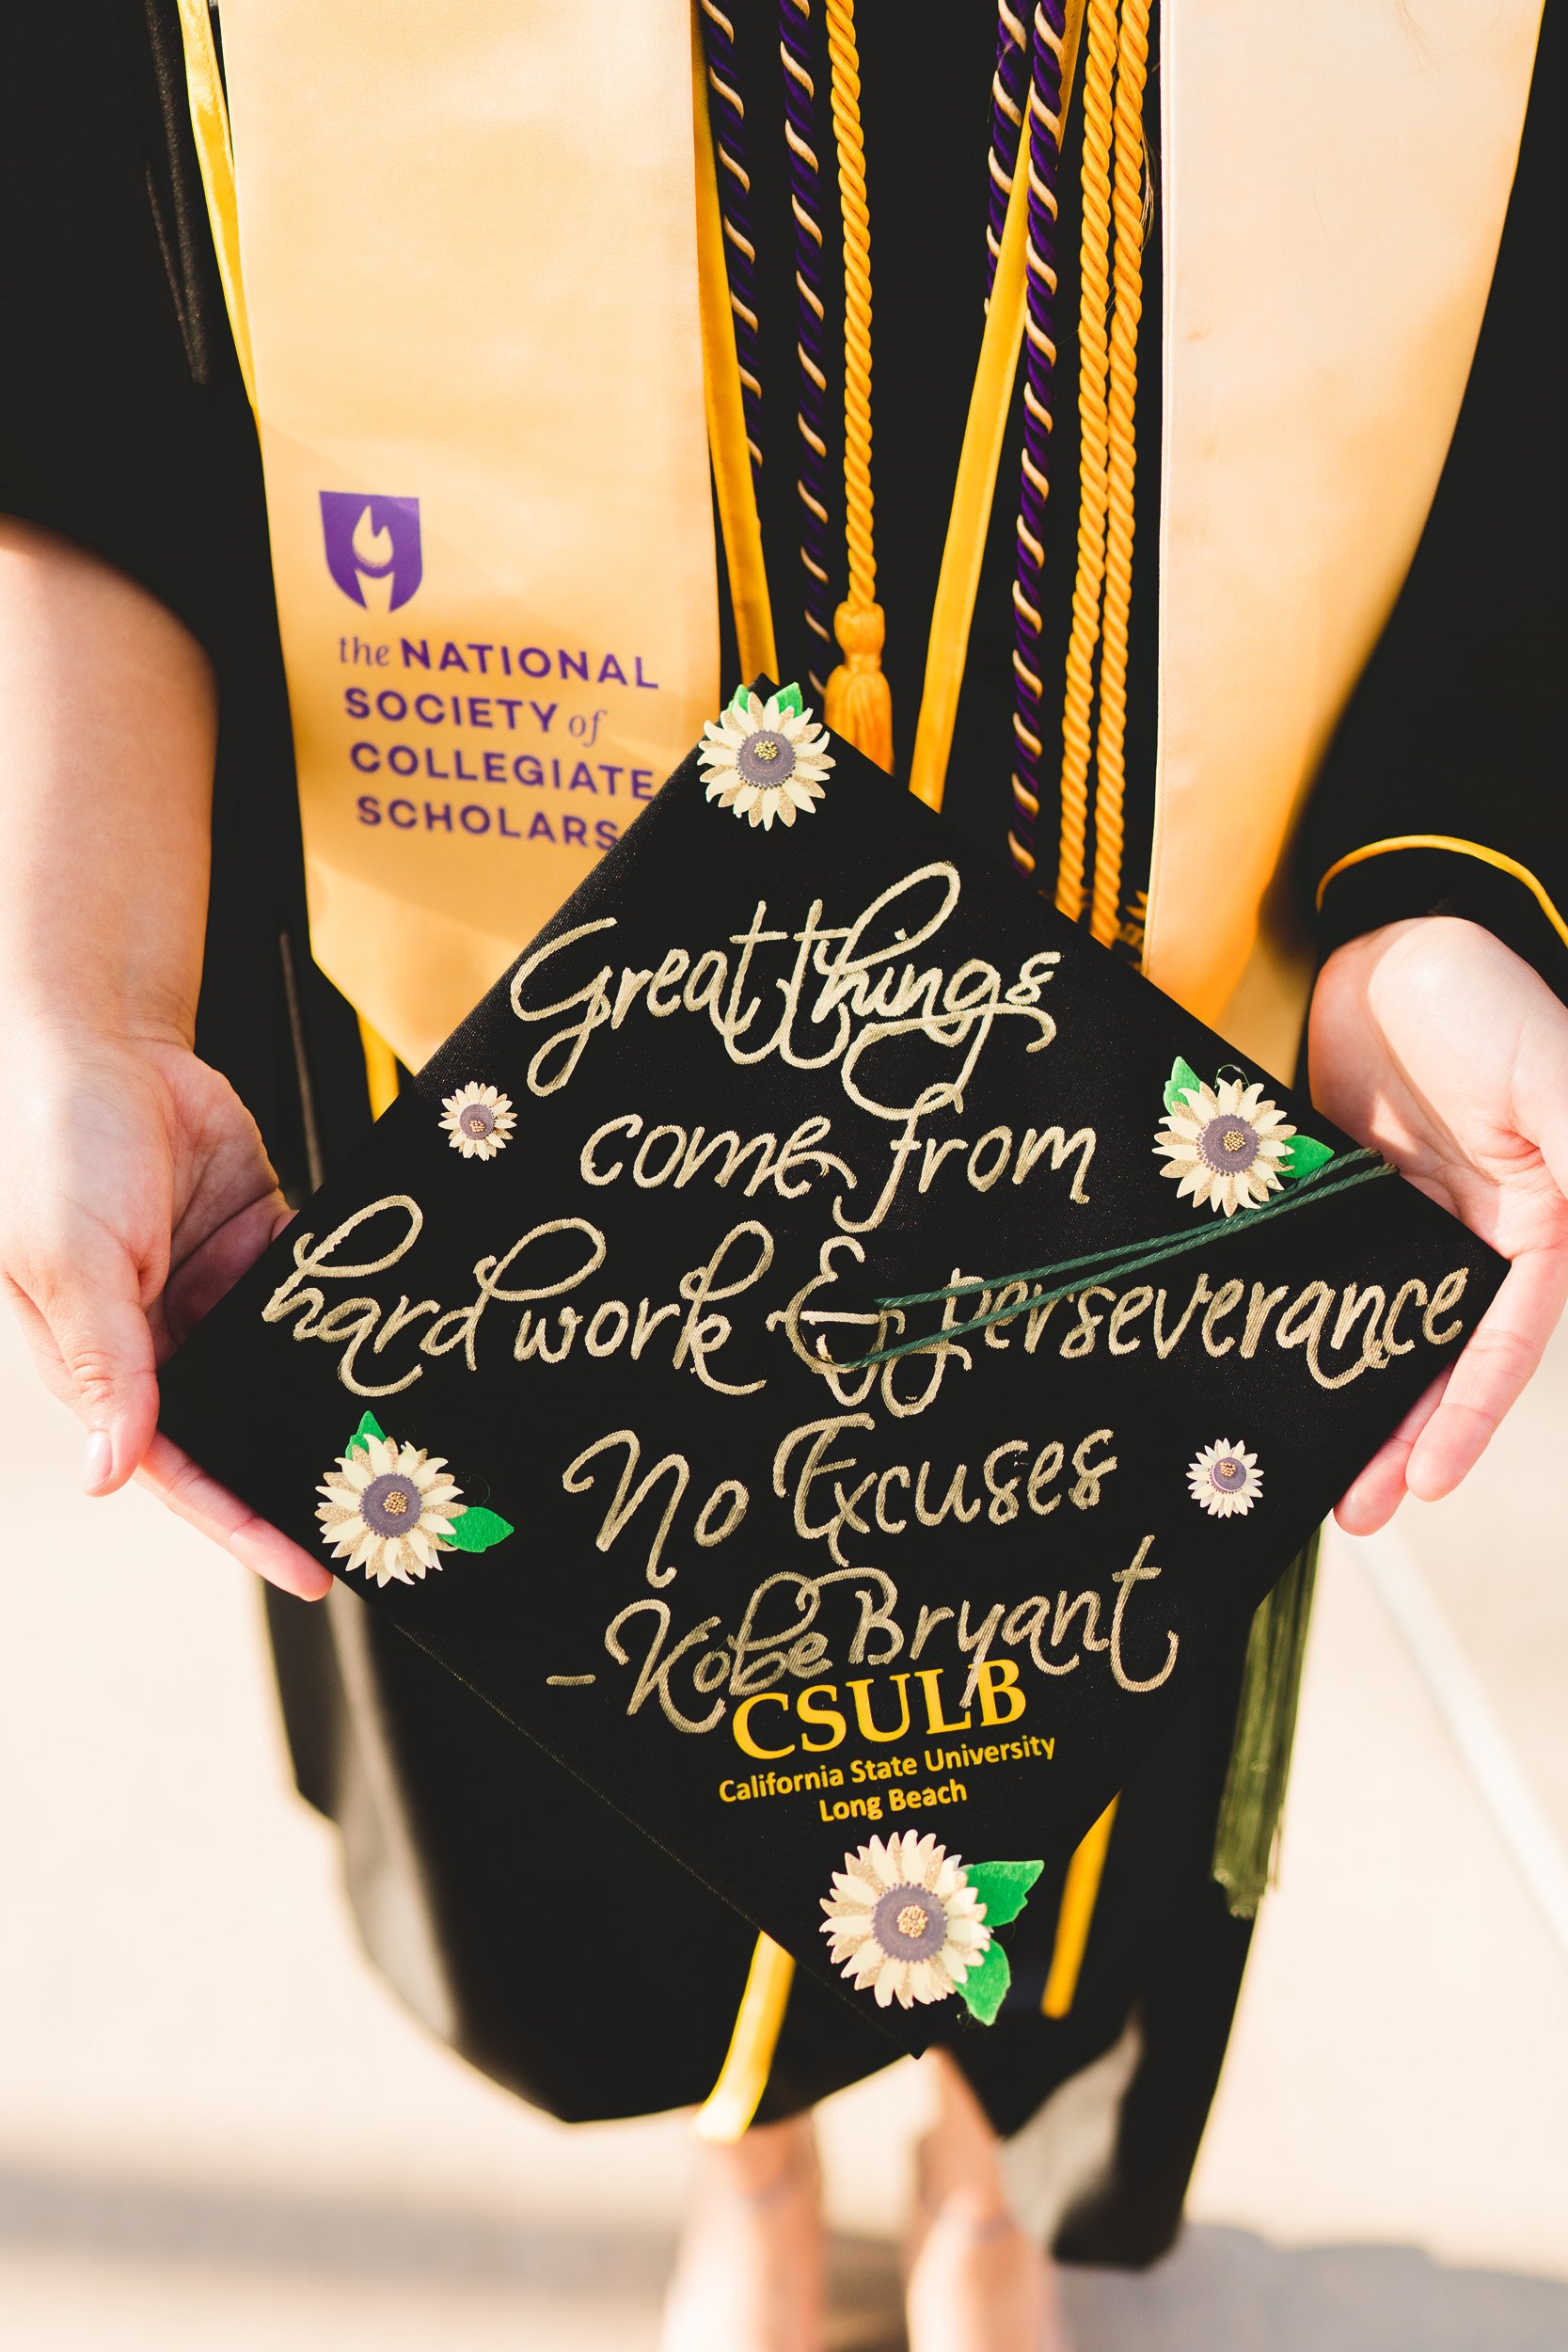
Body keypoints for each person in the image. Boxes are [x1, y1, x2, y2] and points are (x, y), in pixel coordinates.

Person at [1, 6, 1562, 2348]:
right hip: (503, 1031)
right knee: (614, 1625)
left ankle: (980, 2166)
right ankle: (750, 2139)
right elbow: (82, 342)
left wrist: (1449, 890)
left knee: (1080, 1698)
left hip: (1169, 1042)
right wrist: (78, 986)